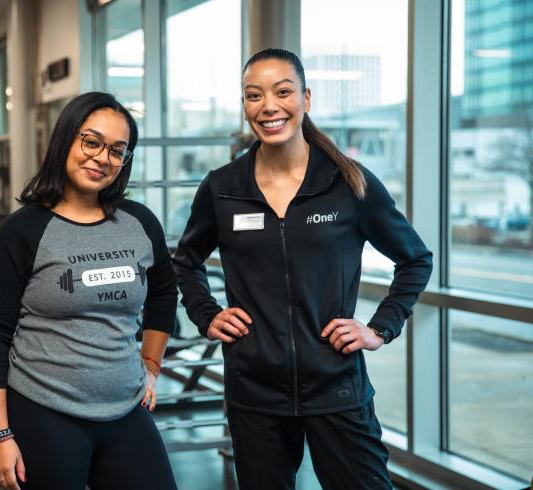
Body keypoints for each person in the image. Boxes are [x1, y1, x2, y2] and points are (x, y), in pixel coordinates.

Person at [173, 48, 433, 489]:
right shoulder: (223, 188)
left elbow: (415, 259)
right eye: (253, 95)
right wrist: (206, 312)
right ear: (245, 106)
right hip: (254, 391)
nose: (268, 106)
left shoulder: (348, 182)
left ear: (306, 98)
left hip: (337, 385)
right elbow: (186, 259)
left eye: (283, 91)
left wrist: (380, 328)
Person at [0, 92, 178, 490]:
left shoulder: (140, 222)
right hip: (45, 411)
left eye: (118, 150)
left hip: (125, 410)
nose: (103, 157)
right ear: (66, 138)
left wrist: (151, 367)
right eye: (92, 141)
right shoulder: (22, 231)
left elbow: (164, 293)